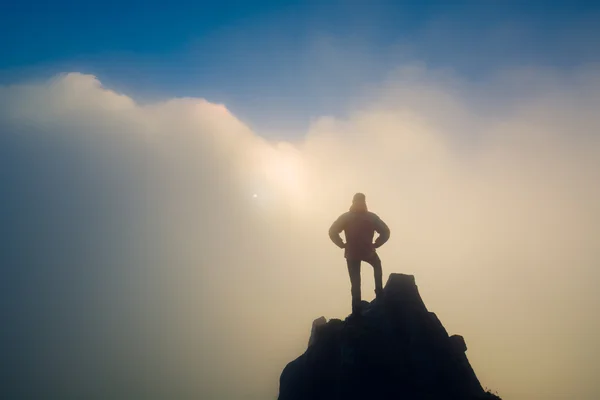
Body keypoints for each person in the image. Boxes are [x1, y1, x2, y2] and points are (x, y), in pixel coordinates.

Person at [329, 193, 390, 315]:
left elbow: (332, 231)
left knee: (355, 282)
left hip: (352, 253)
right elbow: (385, 232)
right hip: (367, 251)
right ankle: (379, 294)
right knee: (376, 267)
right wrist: (376, 244)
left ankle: (356, 309)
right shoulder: (371, 217)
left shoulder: (346, 217)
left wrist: (342, 244)